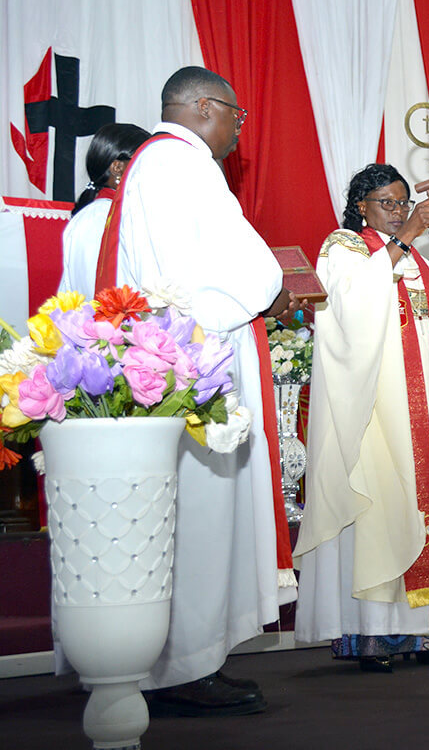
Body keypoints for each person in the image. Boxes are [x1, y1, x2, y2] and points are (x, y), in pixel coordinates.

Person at [97, 66, 294, 714]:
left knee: (194, 516)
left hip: (186, 356)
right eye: (237, 115)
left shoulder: (161, 165)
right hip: (191, 365)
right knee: (199, 517)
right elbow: (203, 275)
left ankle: (186, 658)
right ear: (206, 107)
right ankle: (183, 666)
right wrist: (269, 286)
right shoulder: (179, 165)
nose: (240, 129)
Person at [295, 163, 429, 671]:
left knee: (427, 504)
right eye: (387, 202)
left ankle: (428, 633)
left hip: (425, 408)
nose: (398, 211)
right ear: (362, 206)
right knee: (380, 505)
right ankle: (374, 636)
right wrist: (405, 238)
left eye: (403, 203)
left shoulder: (418, 262)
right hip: (375, 409)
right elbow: (349, 307)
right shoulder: (345, 247)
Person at [59, 123, 150, 297]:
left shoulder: (99, 214)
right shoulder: (103, 217)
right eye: (143, 163)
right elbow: (107, 293)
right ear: (117, 168)